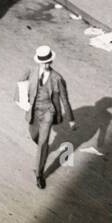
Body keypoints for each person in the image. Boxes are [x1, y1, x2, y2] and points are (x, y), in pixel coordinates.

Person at [18, 45, 75, 189]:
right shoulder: (31, 71)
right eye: (45, 62)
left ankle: (39, 174)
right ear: (39, 62)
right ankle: (42, 149)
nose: (47, 64)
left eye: (49, 61)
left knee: (43, 143)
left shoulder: (57, 78)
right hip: (34, 111)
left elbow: (64, 99)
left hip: (49, 112)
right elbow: (20, 84)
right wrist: (20, 100)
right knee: (33, 135)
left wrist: (71, 119)